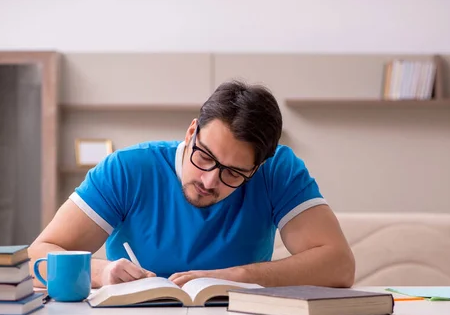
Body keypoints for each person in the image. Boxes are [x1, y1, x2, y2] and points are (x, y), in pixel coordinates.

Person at [28, 80, 355, 289]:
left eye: (233, 173)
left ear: (257, 168)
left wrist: (238, 277)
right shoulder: (127, 169)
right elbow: (37, 256)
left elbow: (339, 265)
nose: (209, 180)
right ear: (191, 132)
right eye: (204, 156)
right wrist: (101, 274)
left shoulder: (279, 170)